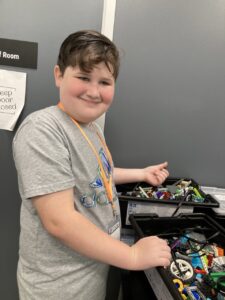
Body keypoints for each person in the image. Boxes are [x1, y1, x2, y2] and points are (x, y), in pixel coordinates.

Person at [13, 30, 171, 300]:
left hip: (90, 272)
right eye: (83, 77)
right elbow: (59, 221)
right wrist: (132, 255)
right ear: (59, 75)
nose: (94, 92)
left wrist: (141, 174)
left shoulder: (91, 128)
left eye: (105, 82)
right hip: (58, 286)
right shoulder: (42, 130)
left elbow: (95, 175)